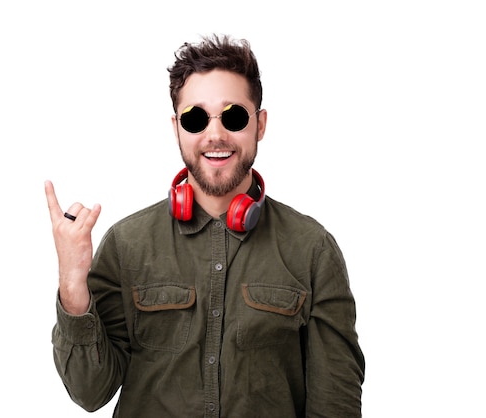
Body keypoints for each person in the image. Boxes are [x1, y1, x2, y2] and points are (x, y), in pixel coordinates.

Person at [45, 33, 365, 418]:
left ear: (259, 125)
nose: (215, 134)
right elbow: (90, 392)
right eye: (196, 118)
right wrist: (73, 284)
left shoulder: (313, 250)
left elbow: (336, 406)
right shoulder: (125, 245)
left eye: (234, 116)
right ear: (177, 127)